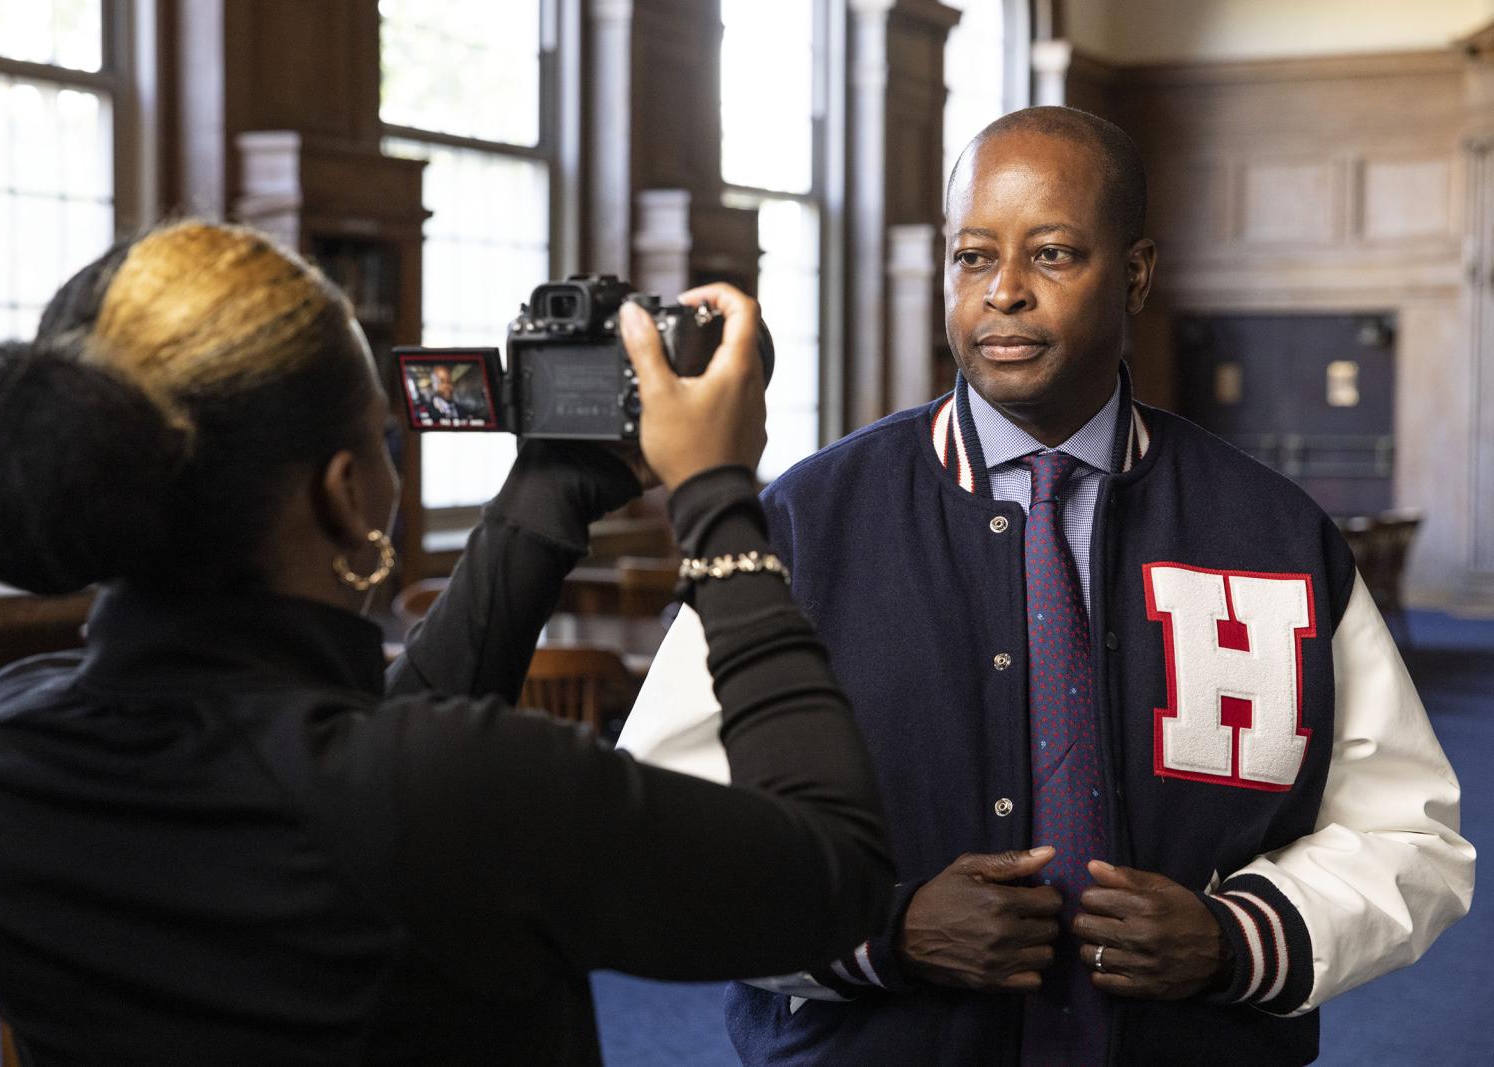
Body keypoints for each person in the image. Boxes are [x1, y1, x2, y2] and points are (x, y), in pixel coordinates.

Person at [618, 106, 1475, 1066]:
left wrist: (1237, 939)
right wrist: (882, 932)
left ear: (1136, 273)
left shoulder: (1274, 534)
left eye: (1055, 254)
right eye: (973, 256)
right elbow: (660, 826)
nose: (1005, 293)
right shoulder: (804, 524)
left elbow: (1410, 834)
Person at [0, 221, 893, 1065]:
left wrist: (550, 490)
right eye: (388, 439)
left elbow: (371, 752)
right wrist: (717, 502)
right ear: (345, 492)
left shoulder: (0, 744)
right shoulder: (452, 791)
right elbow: (834, 874)